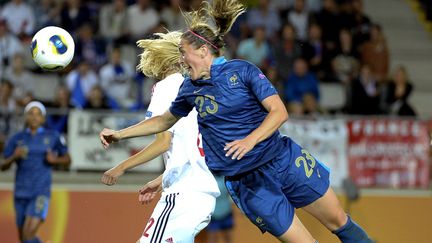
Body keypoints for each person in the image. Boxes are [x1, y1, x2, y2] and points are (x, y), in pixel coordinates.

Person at [100, 0, 373, 242]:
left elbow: (279, 112)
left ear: (204, 51)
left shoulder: (242, 71)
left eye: (184, 52)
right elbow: (163, 123)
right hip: (248, 184)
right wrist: (120, 135)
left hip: (282, 159)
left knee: (339, 221)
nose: (181, 60)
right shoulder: (188, 90)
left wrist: (250, 140)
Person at [100, 31, 220, 243]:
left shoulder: (166, 87)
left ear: (160, 59)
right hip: (202, 194)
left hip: (183, 196)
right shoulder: (190, 88)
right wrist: (161, 179)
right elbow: (190, 151)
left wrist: (121, 167)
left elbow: (164, 142)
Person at [1, 101, 71, 243]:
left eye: (38, 114)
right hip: (21, 193)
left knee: (28, 234)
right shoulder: (17, 138)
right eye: (31, 114)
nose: (34, 117)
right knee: (23, 239)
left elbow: (68, 159)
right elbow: (3, 166)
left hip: (40, 192)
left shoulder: (52, 137)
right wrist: (14, 156)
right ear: (26, 117)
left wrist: (55, 160)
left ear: (43, 118)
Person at [207, 176, 234, 243]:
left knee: (227, 237)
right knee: (213, 237)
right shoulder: (208, 180)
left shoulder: (226, 179)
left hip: (226, 211)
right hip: (213, 214)